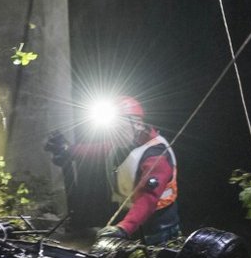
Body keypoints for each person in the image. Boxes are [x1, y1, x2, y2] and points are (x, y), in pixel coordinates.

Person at [45, 95, 181, 246]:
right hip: (132, 223)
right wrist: (68, 150)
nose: (114, 133)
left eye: (119, 127)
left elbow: (148, 199)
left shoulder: (156, 155)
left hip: (157, 230)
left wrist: (124, 228)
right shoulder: (125, 142)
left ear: (137, 124)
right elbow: (100, 149)